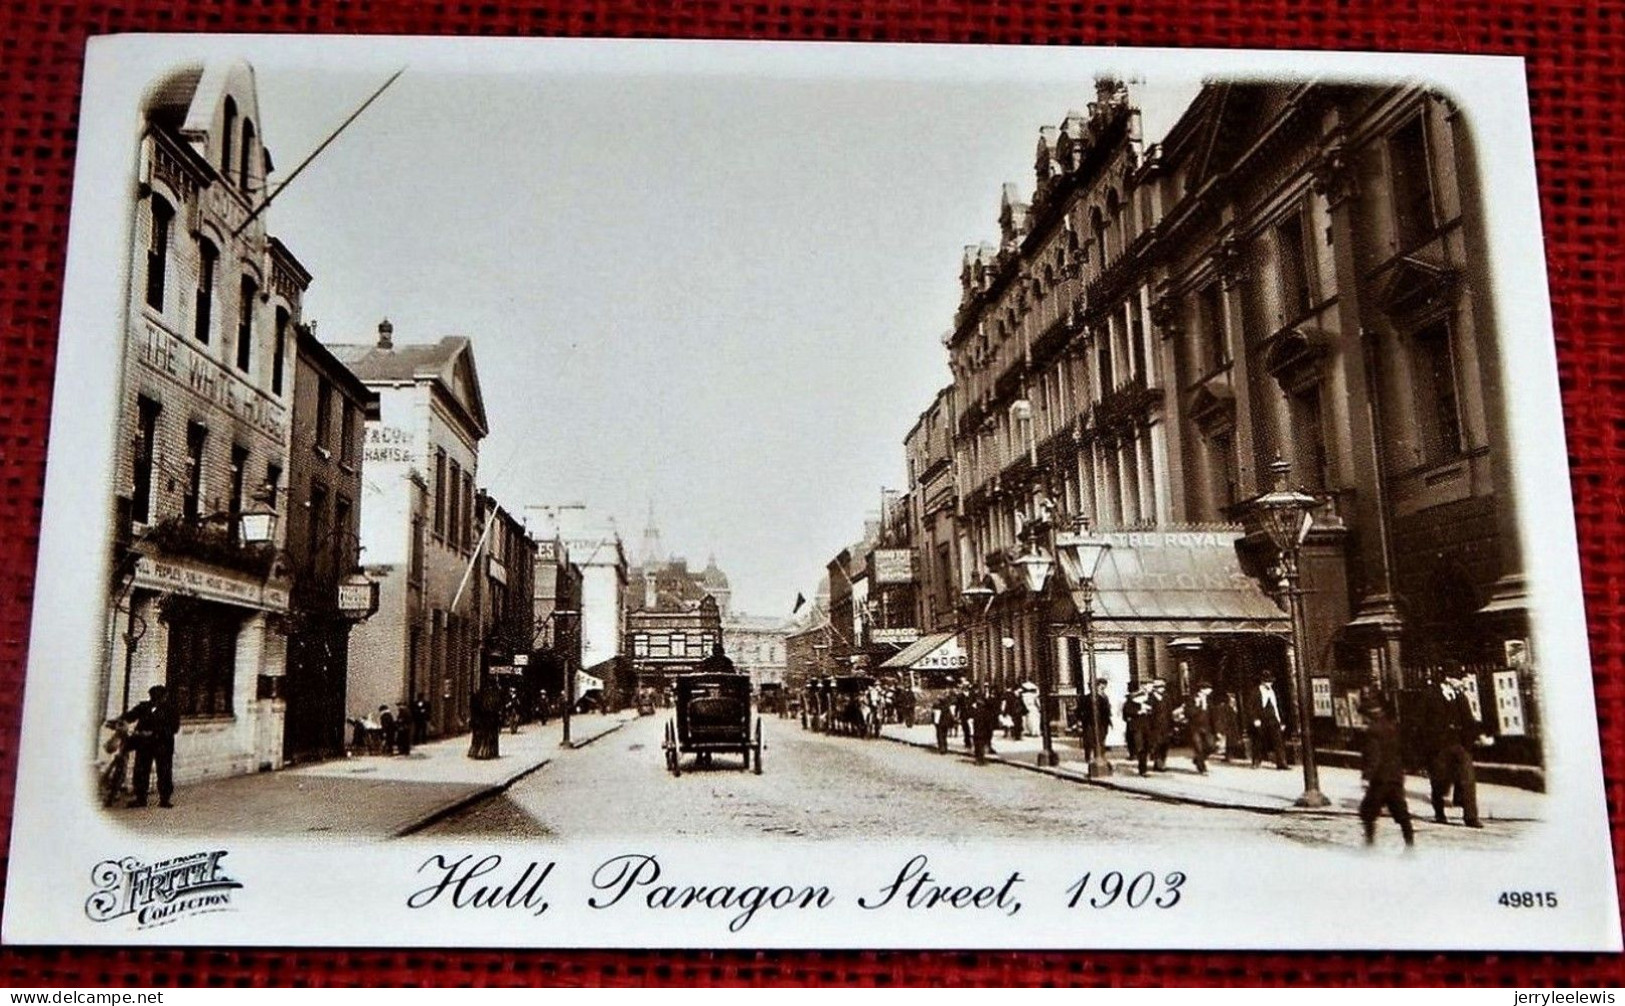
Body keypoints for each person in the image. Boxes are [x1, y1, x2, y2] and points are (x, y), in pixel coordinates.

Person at [1423, 671, 1489, 828]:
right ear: (1448, 679)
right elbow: (1421, 722)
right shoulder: (1430, 695)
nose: (1463, 682)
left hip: (1460, 744)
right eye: (1459, 679)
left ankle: (1471, 817)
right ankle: (1439, 813)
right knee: (1439, 781)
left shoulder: (1460, 697)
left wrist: (1479, 736)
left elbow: (1469, 720)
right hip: (1439, 746)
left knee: (1468, 778)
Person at [1359, 689, 1415, 847]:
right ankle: (1410, 846)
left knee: (1367, 812)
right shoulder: (1393, 726)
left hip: (1379, 780)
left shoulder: (1372, 732)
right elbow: (1403, 750)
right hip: (1396, 777)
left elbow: (1373, 757)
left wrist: (1366, 777)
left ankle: (1369, 846)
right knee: (1402, 813)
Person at [122, 684, 180, 808]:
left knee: (164, 771)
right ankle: (140, 798)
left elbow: (174, 728)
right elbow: (131, 715)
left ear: (165, 697)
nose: (156, 699)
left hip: (163, 745)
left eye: (159, 696)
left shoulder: (171, 710)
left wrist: (154, 733)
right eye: (154, 696)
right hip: (144, 744)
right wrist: (120, 720)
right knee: (141, 770)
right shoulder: (144, 707)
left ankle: (165, 799)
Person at [1247, 680, 1289, 769]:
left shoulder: (1274, 692)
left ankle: (1281, 763)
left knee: (1279, 741)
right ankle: (1256, 761)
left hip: (1273, 719)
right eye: (1268, 682)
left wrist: (1281, 721)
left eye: (1271, 682)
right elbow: (1250, 707)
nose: (1270, 684)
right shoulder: (1255, 692)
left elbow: (1278, 707)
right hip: (1261, 719)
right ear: (1262, 682)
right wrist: (1255, 719)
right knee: (1258, 741)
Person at [1184, 684, 1216, 775]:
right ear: (1202, 690)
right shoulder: (1192, 699)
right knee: (1199, 748)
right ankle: (1202, 768)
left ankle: (1197, 759)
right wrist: (1197, 706)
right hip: (1195, 727)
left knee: (1211, 746)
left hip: (1207, 727)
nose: (1210, 691)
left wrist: (1216, 728)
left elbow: (1212, 714)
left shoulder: (1209, 699)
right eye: (1208, 689)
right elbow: (1188, 713)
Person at [1079, 679, 1113, 760]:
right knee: (1090, 740)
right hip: (1089, 723)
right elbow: (1080, 710)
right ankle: (1089, 756)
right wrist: (1082, 720)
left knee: (1101, 739)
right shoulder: (1085, 698)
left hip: (1102, 722)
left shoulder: (1103, 697)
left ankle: (1100, 756)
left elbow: (1106, 710)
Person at [1147, 680, 1173, 772]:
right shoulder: (1150, 698)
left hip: (1165, 725)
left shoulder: (1166, 697)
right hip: (1154, 726)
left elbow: (1169, 712)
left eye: (1162, 687)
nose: (1162, 689)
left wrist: (1172, 724)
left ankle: (1161, 762)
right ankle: (1159, 764)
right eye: (1159, 687)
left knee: (1165, 745)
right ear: (1155, 688)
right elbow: (1148, 713)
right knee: (1156, 744)